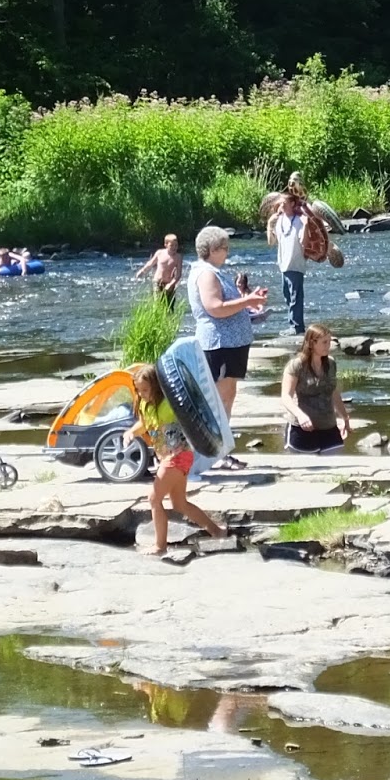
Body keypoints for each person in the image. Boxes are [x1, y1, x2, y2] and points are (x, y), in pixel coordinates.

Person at [187, 226, 267, 470]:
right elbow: (215, 307)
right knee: (218, 399)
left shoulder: (213, 272)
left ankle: (219, 450)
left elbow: (227, 304)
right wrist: (249, 301)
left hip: (230, 342)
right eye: (224, 247)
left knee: (226, 395)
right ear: (212, 249)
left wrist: (247, 298)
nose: (227, 251)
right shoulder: (206, 274)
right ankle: (212, 452)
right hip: (219, 343)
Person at [127, 363, 225, 555]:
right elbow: (144, 424)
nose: (142, 394)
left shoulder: (169, 404)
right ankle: (217, 531)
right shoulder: (146, 405)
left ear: (156, 386)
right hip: (170, 457)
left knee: (154, 499)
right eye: (139, 391)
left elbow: (189, 411)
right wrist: (131, 432)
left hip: (177, 455)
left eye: (146, 390)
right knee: (179, 503)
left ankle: (160, 546)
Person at [281, 325, 351, 453]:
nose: (328, 345)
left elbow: (334, 393)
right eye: (324, 342)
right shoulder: (296, 365)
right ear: (311, 343)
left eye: (329, 341)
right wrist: (300, 415)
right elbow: (286, 397)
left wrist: (345, 417)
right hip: (302, 429)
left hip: (329, 427)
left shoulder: (331, 363)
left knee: (336, 470)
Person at [266, 193, 308, 335]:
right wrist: (269, 224)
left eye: (284, 203)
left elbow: (303, 241)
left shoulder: (300, 221)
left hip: (295, 263)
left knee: (296, 296)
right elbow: (271, 242)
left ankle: (297, 326)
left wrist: (307, 224)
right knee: (287, 295)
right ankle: (294, 324)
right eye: (280, 203)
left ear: (292, 204)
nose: (281, 205)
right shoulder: (279, 221)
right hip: (283, 264)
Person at [134, 234, 183, 306]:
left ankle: (168, 316)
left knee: (169, 306)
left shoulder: (178, 257)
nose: (174, 247)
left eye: (176, 245)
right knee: (157, 303)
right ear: (166, 244)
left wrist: (171, 284)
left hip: (169, 283)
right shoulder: (160, 253)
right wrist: (142, 271)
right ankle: (156, 315)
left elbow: (178, 274)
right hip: (157, 282)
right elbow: (150, 263)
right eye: (171, 245)